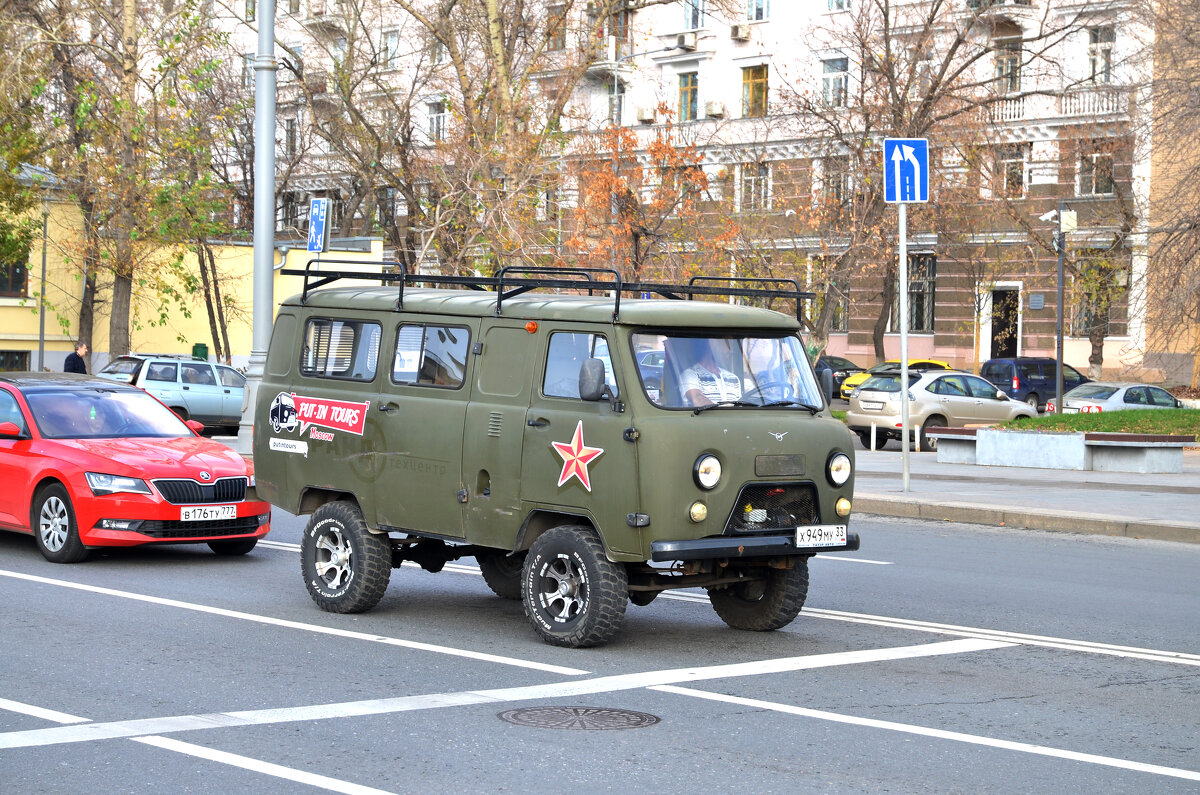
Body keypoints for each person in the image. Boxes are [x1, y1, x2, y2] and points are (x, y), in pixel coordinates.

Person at [679, 339, 742, 406]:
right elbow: (698, 401)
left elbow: (739, 408)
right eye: (728, 345)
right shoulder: (690, 375)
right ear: (712, 343)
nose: (731, 351)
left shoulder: (733, 378)